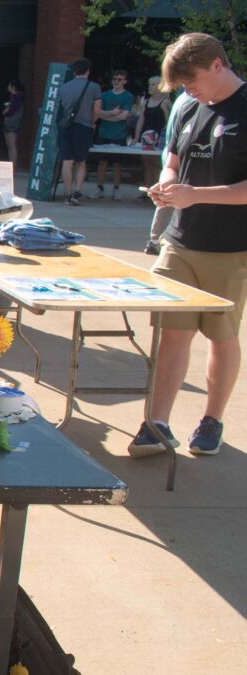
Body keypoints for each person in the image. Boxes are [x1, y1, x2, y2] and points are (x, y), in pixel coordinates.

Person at [135, 32, 247, 459]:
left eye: (192, 79)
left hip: (230, 247)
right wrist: (167, 181)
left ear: (218, 64)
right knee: (171, 334)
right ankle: (157, 424)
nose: (188, 89)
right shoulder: (188, 107)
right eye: (180, 84)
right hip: (179, 240)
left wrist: (197, 194)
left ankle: (212, 419)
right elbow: (174, 158)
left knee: (221, 335)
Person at [145, 88, 192, 254]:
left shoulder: (181, 100)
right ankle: (157, 239)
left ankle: (154, 238)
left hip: (171, 153)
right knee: (172, 197)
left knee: (167, 197)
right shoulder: (192, 102)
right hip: (179, 156)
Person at [58, 58, 101, 206]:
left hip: (66, 126)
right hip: (84, 126)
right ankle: (77, 192)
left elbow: (63, 107)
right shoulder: (94, 87)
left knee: (67, 161)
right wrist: (93, 122)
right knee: (81, 161)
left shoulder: (64, 87)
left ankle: (67, 194)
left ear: (74, 72)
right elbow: (96, 110)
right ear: (88, 71)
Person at [92, 70, 134, 200]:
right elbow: (97, 113)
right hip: (104, 133)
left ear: (125, 81)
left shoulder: (128, 96)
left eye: (120, 79)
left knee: (117, 164)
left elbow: (123, 116)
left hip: (119, 135)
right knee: (102, 163)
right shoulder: (104, 95)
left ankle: (116, 189)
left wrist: (106, 115)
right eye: (115, 79)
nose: (117, 81)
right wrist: (112, 113)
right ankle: (99, 188)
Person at [135, 75, 173, 199]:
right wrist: (137, 137)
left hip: (158, 138)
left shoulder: (166, 102)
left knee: (157, 164)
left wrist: (163, 138)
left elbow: (169, 122)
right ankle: (147, 191)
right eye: (149, 84)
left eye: (154, 84)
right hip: (146, 137)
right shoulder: (145, 102)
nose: (151, 87)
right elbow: (141, 119)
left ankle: (158, 191)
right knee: (146, 164)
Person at [2, 79, 25, 166]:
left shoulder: (18, 97)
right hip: (9, 122)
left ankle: (13, 165)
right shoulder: (13, 97)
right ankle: (10, 164)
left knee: (12, 145)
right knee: (9, 146)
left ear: (13, 87)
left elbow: (11, 110)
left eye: (9, 85)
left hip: (13, 122)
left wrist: (5, 111)